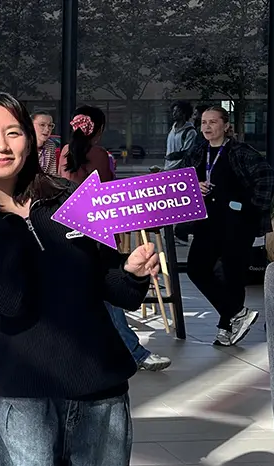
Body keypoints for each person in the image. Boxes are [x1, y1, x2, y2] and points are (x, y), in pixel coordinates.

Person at [0, 92, 160, 466]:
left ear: (30, 139)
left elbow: (108, 284)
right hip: (24, 397)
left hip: (100, 391)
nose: (1, 145)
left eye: (13, 132)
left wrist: (131, 273)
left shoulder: (71, 201)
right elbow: (6, 299)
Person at [61, 107, 172, 371]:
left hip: (67, 231)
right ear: (98, 129)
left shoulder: (65, 152)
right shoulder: (100, 155)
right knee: (108, 293)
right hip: (97, 234)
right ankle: (133, 352)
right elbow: (108, 195)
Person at [182, 106, 274, 346]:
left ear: (225, 126)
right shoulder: (198, 151)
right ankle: (237, 313)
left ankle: (227, 327)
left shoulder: (240, 151)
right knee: (196, 268)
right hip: (208, 221)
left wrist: (251, 208)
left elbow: (267, 177)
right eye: (203, 122)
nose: (207, 127)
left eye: (213, 122)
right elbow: (182, 179)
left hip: (236, 224)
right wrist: (196, 186)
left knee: (232, 275)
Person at [58, 105, 113, 183]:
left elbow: (59, 178)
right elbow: (104, 185)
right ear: (99, 130)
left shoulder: (65, 149)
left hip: (68, 195)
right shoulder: (100, 153)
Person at [164, 101, 197, 171]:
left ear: (184, 113)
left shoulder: (190, 132)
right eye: (173, 111)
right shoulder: (171, 130)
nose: (174, 113)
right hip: (168, 169)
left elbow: (187, 153)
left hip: (181, 170)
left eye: (177, 111)